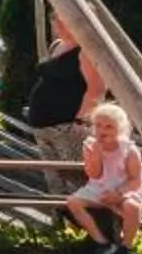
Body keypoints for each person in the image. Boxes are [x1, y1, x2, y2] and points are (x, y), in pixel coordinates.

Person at [64, 102, 142, 254]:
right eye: (99, 126)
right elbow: (93, 174)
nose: (102, 131)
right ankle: (102, 244)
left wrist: (119, 194)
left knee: (132, 207)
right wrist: (96, 154)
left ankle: (126, 248)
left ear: (120, 129)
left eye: (109, 127)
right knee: (73, 202)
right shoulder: (89, 145)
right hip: (98, 187)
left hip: (125, 189)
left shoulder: (129, 149)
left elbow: (136, 180)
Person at [22, 14, 105, 174]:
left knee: (76, 176)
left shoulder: (86, 52)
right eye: (55, 20)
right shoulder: (57, 45)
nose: (58, 26)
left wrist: (79, 121)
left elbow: (97, 89)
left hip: (67, 127)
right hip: (43, 128)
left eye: (63, 22)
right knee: (55, 181)